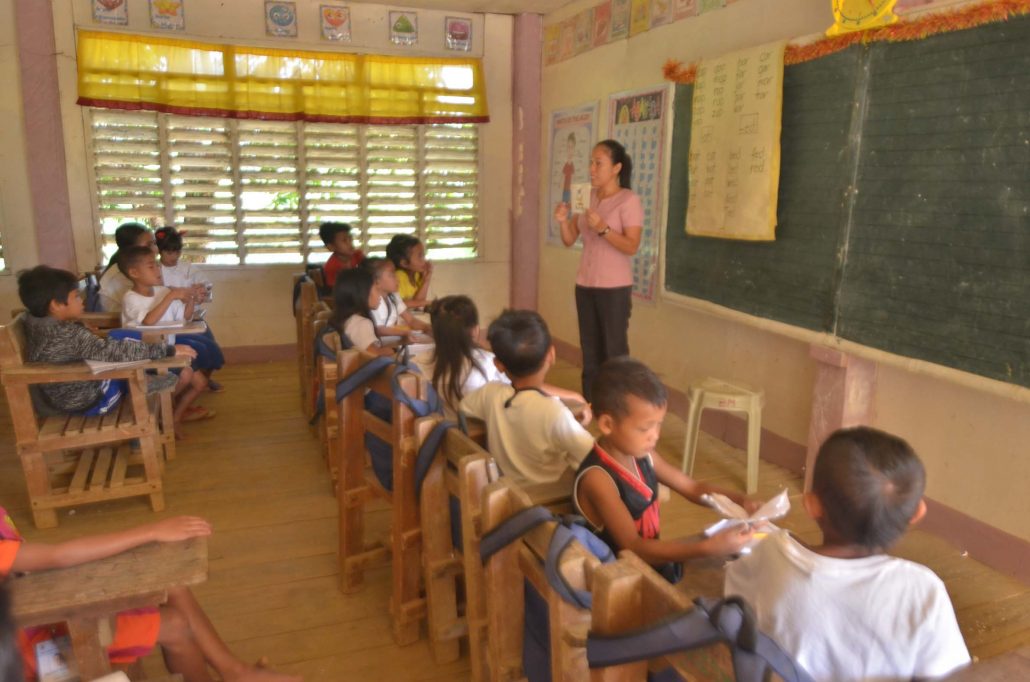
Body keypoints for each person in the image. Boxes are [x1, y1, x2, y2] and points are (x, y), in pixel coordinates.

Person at [725, 427, 971, 681]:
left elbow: (734, 602)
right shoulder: (922, 589)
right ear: (916, 514)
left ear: (811, 505)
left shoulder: (768, 552)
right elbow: (953, 675)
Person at [0, 508, 302, 682]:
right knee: (177, 626)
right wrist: (151, 531)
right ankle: (234, 672)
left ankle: (234, 671)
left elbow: (35, 560)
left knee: (172, 585)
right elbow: (56, 557)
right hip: (27, 650)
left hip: (34, 611)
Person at [573, 357, 757, 583]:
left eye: (659, 424)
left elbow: (693, 487)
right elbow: (634, 547)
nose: (656, 435)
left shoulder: (644, 455)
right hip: (617, 583)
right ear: (607, 425)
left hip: (650, 569)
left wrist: (740, 500)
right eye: (645, 428)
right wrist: (706, 548)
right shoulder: (598, 478)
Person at [16, 265, 205, 428]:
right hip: (92, 400)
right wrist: (168, 350)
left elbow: (76, 348)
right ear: (56, 305)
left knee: (121, 336)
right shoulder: (66, 334)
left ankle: (145, 378)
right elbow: (112, 352)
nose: (81, 301)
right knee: (122, 347)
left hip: (68, 391)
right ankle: (139, 415)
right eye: (75, 297)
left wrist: (81, 327)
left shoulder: (37, 323)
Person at [459, 310, 591, 487]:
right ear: (551, 355)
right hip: (546, 499)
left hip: (505, 493)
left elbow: (464, 407)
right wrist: (577, 426)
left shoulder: (490, 393)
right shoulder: (554, 412)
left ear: (498, 365)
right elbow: (592, 456)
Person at [554, 139, 643, 401]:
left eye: (598, 163)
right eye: (591, 162)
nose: (592, 168)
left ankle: (616, 406)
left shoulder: (628, 200)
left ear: (616, 168)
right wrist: (561, 221)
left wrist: (604, 228)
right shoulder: (587, 195)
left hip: (613, 288)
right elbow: (570, 238)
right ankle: (591, 403)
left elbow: (632, 246)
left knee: (613, 351)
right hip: (585, 284)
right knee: (590, 350)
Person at [119, 246, 224, 400]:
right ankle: (163, 408)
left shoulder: (162, 291)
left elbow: (185, 318)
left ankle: (173, 415)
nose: (157, 270)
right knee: (187, 376)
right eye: (151, 266)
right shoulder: (130, 298)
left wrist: (192, 298)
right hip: (143, 355)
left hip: (167, 350)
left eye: (156, 265)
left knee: (200, 383)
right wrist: (171, 296)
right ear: (134, 273)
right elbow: (148, 321)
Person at [411, 295, 507, 417]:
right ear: (475, 330)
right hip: (474, 433)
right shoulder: (490, 363)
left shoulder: (416, 364)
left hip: (437, 431)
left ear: (435, 331)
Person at [155, 227, 223, 392]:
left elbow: (206, 284)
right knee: (202, 348)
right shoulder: (155, 271)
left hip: (192, 316)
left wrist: (201, 288)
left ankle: (205, 378)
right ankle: (194, 381)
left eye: (177, 252)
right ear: (159, 251)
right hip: (171, 321)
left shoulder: (186, 267)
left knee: (213, 346)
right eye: (169, 253)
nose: (174, 257)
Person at [329, 268, 393, 357]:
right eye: (376, 289)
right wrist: (390, 351)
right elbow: (372, 356)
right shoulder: (360, 323)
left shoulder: (347, 318)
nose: (380, 295)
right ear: (362, 293)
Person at [364, 258, 430, 341]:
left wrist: (427, 327)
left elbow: (411, 320)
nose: (397, 279)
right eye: (391, 275)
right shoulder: (372, 301)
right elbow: (378, 330)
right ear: (377, 281)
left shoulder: (393, 296)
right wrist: (404, 333)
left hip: (393, 341)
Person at [98, 222, 157, 312]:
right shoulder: (119, 276)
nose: (155, 249)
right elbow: (145, 307)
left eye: (154, 243)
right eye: (148, 245)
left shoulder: (136, 268)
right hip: (119, 323)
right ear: (131, 248)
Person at [385, 234, 432, 309]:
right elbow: (399, 304)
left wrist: (426, 280)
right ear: (404, 263)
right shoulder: (398, 277)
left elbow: (418, 303)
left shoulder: (417, 275)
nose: (424, 261)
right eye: (420, 256)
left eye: (424, 256)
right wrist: (429, 302)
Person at [319, 222, 364, 289]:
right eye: (344, 240)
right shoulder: (331, 268)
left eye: (350, 239)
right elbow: (334, 292)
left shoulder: (357, 254)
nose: (350, 243)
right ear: (331, 247)